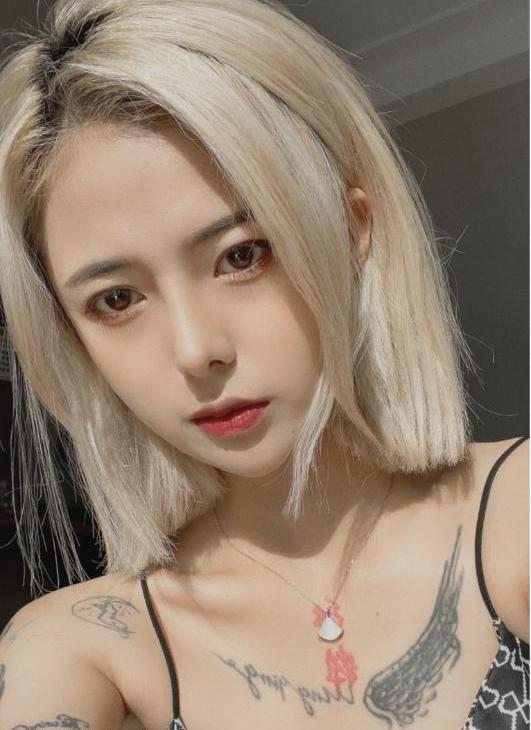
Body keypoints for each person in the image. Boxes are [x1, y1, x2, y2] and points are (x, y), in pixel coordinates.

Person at [0, 0, 527, 728]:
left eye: (241, 255)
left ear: (350, 228)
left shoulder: (512, 517)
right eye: (117, 299)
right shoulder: (87, 646)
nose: (196, 350)